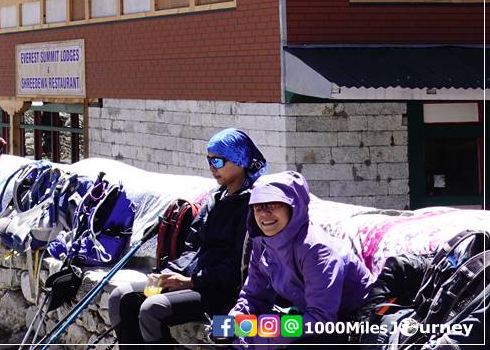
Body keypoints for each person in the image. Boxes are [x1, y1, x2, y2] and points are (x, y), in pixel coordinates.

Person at [109, 128, 267, 344]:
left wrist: (191, 282)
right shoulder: (214, 200)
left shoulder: (251, 207)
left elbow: (238, 265)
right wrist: (168, 273)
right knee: (122, 296)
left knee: (153, 308)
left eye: (218, 162)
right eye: (209, 161)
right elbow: (192, 248)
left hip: (219, 289)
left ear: (239, 161)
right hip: (192, 280)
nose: (212, 168)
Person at [227, 171, 374, 345]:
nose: (264, 214)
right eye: (258, 206)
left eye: (273, 204)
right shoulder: (263, 243)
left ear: (294, 206)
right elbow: (253, 296)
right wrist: (233, 323)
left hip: (351, 323)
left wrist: (258, 339)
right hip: (308, 315)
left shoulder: (317, 250)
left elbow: (321, 319)